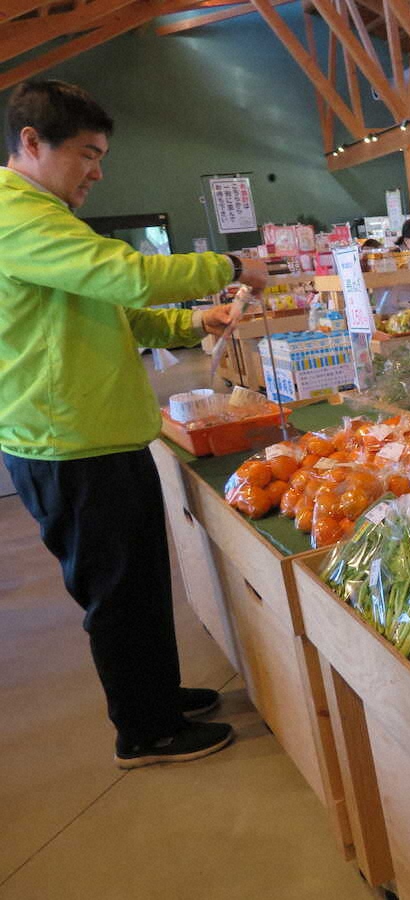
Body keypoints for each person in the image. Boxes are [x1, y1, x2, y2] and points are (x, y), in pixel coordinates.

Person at [0, 80, 268, 768]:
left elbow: (116, 310)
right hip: (67, 442)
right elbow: (127, 277)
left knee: (141, 582)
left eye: (102, 157)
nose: (97, 172)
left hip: (102, 434)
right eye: (87, 154)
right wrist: (231, 265)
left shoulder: (47, 217)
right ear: (31, 142)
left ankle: (157, 696)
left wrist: (196, 319)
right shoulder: (14, 217)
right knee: (116, 593)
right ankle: (145, 731)